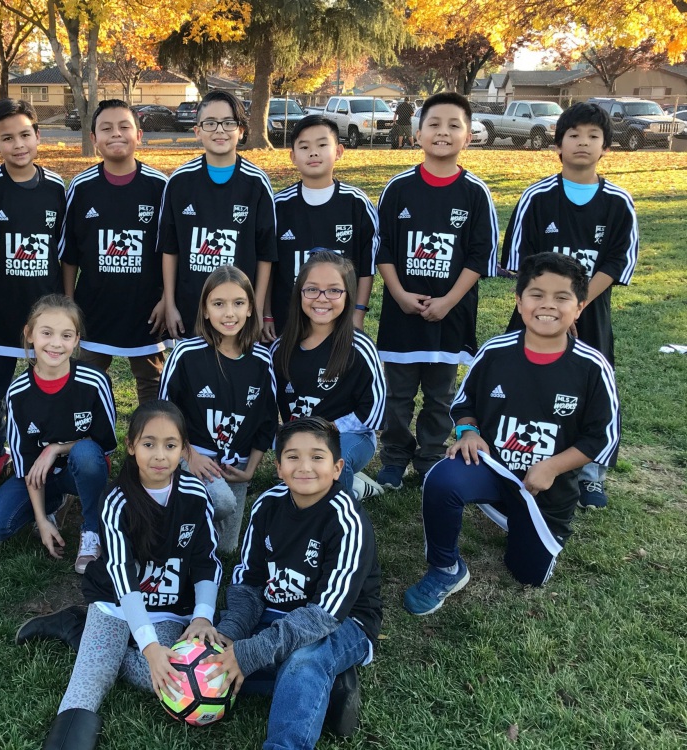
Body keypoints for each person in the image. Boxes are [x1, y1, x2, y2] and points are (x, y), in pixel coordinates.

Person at [402, 253, 620, 615]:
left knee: (528, 575)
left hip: (545, 491)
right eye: (536, 294)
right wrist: (468, 431)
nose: (547, 305)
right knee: (442, 478)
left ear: (579, 307)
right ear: (519, 303)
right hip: (494, 472)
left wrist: (552, 467)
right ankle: (445, 568)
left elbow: (602, 437)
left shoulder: (592, 367)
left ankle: (526, 526)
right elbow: (463, 404)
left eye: (561, 297)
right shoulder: (495, 352)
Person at [16, 401, 222, 750]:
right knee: (93, 678)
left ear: (184, 450)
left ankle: (84, 636)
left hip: (168, 606)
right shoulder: (116, 500)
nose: (160, 455)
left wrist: (201, 616)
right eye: (148, 444)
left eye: (170, 445)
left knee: (164, 680)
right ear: (131, 446)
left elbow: (207, 560)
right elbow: (123, 580)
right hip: (116, 601)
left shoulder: (195, 495)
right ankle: (80, 632)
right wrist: (150, 646)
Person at [205, 417, 382, 748]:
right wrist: (231, 634)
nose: (305, 467)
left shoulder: (347, 518)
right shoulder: (267, 505)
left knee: (304, 660)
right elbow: (249, 584)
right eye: (293, 457)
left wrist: (253, 651)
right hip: (275, 612)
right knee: (207, 647)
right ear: (279, 467)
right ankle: (330, 685)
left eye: (317, 457)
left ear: (336, 467)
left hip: (343, 622)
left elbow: (325, 615)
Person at [500, 101, 637, 509]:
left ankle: (590, 475)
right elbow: (520, 263)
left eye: (593, 136)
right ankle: (512, 458)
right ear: (558, 144)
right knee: (518, 382)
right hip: (535, 313)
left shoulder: (618, 202)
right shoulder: (537, 197)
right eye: (574, 134)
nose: (583, 142)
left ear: (605, 147)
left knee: (591, 387)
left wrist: (575, 306)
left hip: (590, 315)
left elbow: (616, 261)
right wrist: (549, 306)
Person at [373, 92, 498, 490]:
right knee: (398, 395)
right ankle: (393, 457)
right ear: (418, 132)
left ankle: (429, 457)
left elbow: (479, 257)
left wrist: (447, 302)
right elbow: (384, 249)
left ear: (468, 136)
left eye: (453, 125)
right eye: (434, 124)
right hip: (402, 314)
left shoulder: (476, 193)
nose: (443, 132)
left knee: (440, 396)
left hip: (451, 314)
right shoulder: (398, 189)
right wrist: (399, 294)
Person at [0, 294, 117, 573]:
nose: (56, 343)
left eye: (66, 335)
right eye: (46, 333)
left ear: (76, 340)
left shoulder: (95, 381)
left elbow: (104, 447)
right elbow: (27, 464)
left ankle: (92, 531)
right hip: (39, 475)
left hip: (81, 471)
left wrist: (55, 448)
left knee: (86, 453)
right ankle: (53, 504)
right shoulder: (18, 392)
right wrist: (41, 521)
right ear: (29, 335)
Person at [0, 99, 66, 467]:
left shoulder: (57, 188)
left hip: (43, 316)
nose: (18, 144)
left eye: (25, 134)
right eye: (7, 138)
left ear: (38, 135)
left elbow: (63, 250)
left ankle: (41, 454)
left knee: (44, 389)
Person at [159, 265, 277, 554]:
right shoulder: (186, 355)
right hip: (192, 456)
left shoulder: (262, 360)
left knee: (225, 548)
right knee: (222, 503)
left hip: (234, 465)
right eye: (219, 304)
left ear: (251, 308)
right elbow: (162, 417)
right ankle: (166, 516)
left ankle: (184, 519)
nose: (229, 313)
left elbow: (266, 421)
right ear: (205, 309)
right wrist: (189, 455)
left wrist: (250, 470)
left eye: (238, 303)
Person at [61, 100, 169, 404]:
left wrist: (165, 299)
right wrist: (69, 304)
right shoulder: (81, 188)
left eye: (124, 127)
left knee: (152, 386)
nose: (116, 134)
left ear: (139, 135)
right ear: (94, 139)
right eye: (106, 128)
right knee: (84, 384)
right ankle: (92, 445)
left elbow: (171, 252)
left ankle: (147, 448)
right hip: (94, 310)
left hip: (147, 312)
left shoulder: (160, 186)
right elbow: (69, 255)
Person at [158, 90, 277, 339]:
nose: (219, 130)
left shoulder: (257, 183)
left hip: (239, 312)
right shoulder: (179, 181)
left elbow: (265, 255)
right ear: (197, 131)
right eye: (210, 123)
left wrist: (255, 309)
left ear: (241, 131)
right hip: (191, 309)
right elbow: (170, 249)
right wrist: (169, 303)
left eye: (228, 122)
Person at [270, 253, 386, 499]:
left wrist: (331, 427)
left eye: (334, 290)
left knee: (328, 458)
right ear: (299, 292)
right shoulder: (280, 349)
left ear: (348, 295)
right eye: (312, 289)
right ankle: (352, 483)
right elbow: (267, 405)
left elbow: (375, 412)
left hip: (350, 435)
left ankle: (341, 509)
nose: (322, 298)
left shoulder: (360, 348)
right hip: (299, 433)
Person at [268, 115, 378, 337]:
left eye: (322, 144)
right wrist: (267, 314)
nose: (313, 152)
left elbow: (368, 266)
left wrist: (358, 313)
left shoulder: (357, 203)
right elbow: (268, 266)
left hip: (341, 322)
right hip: (287, 323)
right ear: (293, 156)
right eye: (304, 146)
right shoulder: (278, 206)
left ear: (338, 151)